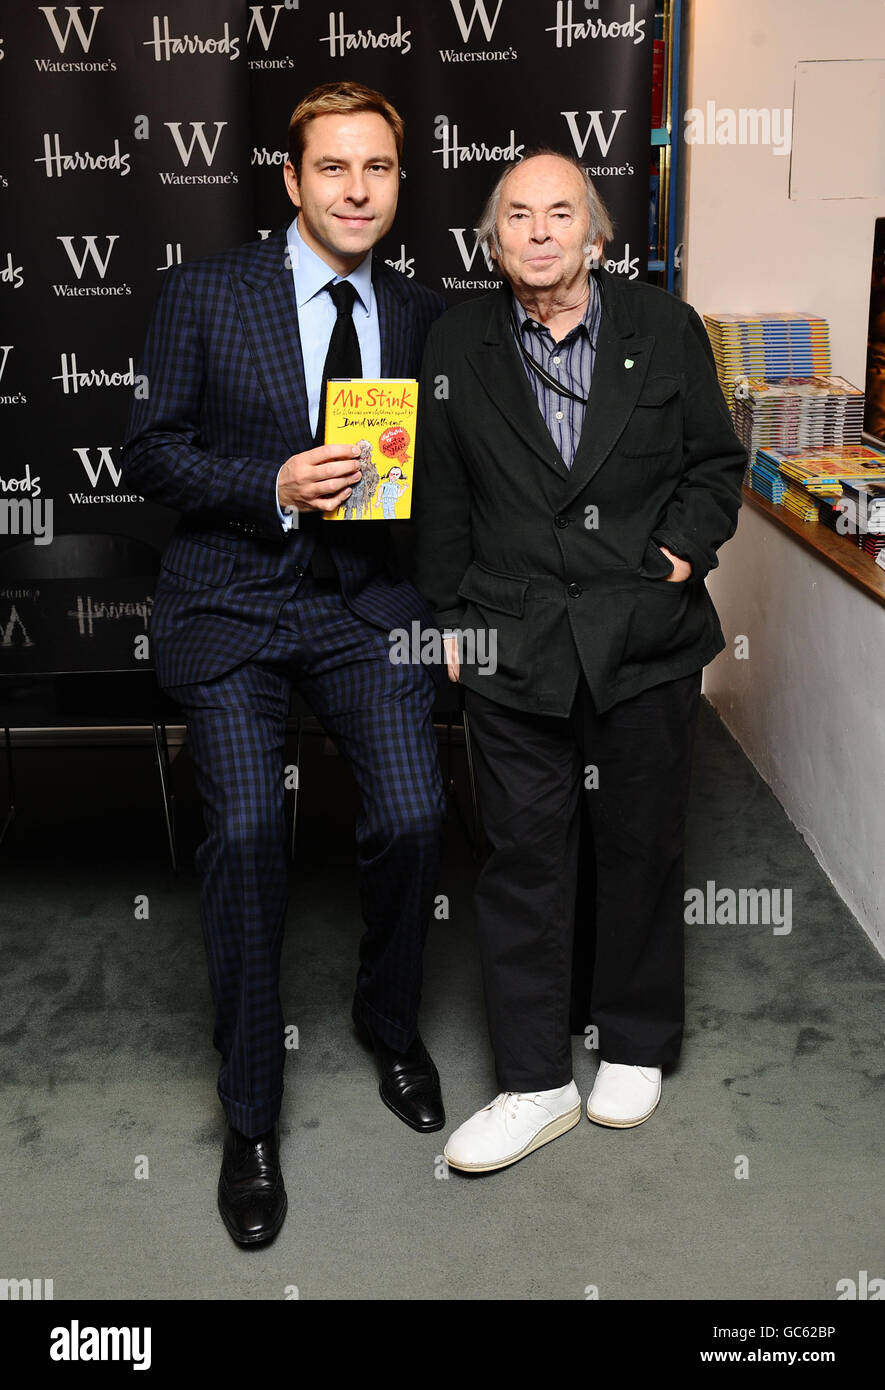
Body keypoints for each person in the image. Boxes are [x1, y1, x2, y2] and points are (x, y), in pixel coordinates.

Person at [122, 82, 448, 1245]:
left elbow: (442, 480)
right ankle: (251, 1110)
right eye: (334, 169)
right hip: (233, 602)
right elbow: (149, 449)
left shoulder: (415, 311)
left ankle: (387, 1019)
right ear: (294, 180)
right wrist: (266, 484)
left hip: (362, 607)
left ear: (400, 183)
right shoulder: (210, 292)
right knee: (253, 832)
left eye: (379, 170)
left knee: (413, 818)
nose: (357, 190)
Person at [412, 150, 746, 1174]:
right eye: (519, 215)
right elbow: (442, 503)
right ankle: (533, 1080)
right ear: (493, 238)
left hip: (643, 639)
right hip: (511, 643)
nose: (542, 231)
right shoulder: (456, 340)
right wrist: (453, 625)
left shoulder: (665, 327)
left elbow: (714, 464)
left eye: (563, 212)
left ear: (595, 235)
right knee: (521, 859)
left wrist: (680, 553)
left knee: (640, 845)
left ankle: (635, 1042)